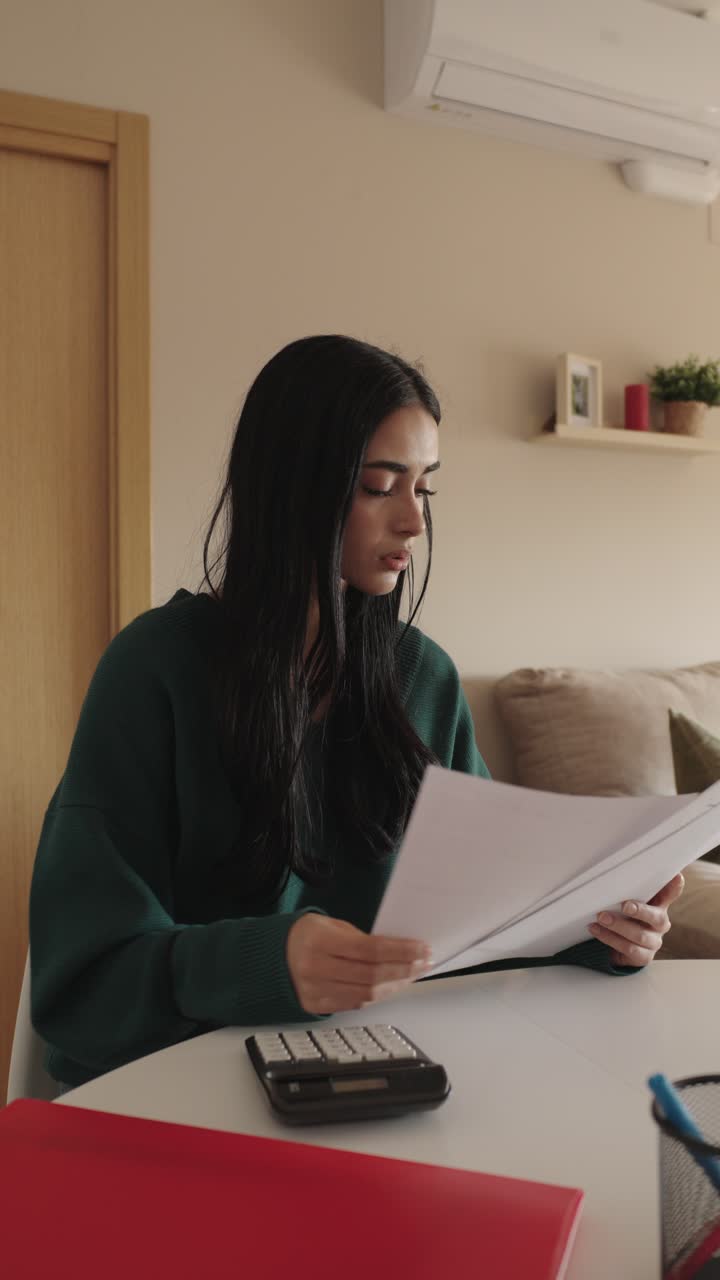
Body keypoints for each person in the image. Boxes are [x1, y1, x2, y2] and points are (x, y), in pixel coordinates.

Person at [30, 335, 684, 1089]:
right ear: (290, 488)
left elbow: (485, 921)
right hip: (180, 1095)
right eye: (379, 486)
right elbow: (84, 981)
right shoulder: (154, 669)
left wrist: (600, 933)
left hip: (384, 1087)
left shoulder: (423, 677)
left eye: (424, 489)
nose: (413, 521)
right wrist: (265, 963)